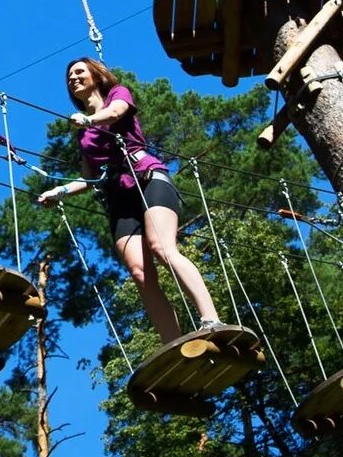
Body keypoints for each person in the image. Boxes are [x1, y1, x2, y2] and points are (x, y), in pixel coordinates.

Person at [37, 58, 221, 343]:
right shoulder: (83, 134)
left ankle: (210, 319)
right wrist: (58, 192)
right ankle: (172, 342)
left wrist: (89, 119)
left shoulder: (117, 94)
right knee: (139, 272)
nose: (72, 78)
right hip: (118, 196)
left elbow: (116, 112)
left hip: (146, 178)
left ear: (96, 76)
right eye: (69, 76)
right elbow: (88, 178)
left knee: (163, 248)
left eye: (79, 72)